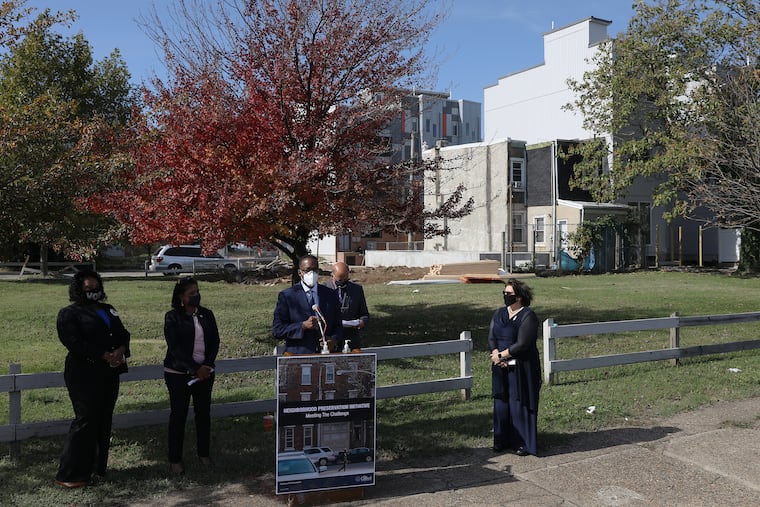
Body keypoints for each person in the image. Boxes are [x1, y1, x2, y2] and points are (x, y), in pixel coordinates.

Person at [55, 269, 130, 488]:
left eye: (96, 288)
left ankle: (98, 469)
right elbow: (73, 342)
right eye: (88, 289)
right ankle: (69, 474)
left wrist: (121, 351)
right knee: (85, 420)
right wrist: (103, 354)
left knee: (104, 420)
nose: (93, 292)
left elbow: (123, 333)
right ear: (79, 290)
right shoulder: (69, 313)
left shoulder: (108, 309)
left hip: (110, 372)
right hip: (83, 374)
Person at [163, 276, 220, 474]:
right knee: (178, 416)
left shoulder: (207, 314)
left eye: (197, 291)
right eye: (191, 294)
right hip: (178, 373)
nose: (196, 296)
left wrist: (206, 366)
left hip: (205, 373)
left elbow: (214, 342)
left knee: (203, 414)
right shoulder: (172, 317)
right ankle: (175, 460)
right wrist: (194, 368)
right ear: (181, 297)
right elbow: (175, 348)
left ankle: (204, 454)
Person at [488, 278, 541, 456]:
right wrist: (496, 354)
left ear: (519, 297)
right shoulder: (499, 313)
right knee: (501, 403)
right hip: (500, 366)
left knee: (519, 403)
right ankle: (502, 440)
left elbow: (523, 343)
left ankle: (523, 443)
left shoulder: (528, 316)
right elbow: (491, 337)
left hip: (521, 367)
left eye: (509, 294)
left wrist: (503, 355)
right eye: (504, 293)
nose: (505, 296)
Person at [272, 255, 343, 354]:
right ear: (300, 272)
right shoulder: (287, 296)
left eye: (315, 270)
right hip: (298, 355)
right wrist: (302, 326)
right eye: (307, 270)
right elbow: (277, 330)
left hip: (325, 355)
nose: (312, 274)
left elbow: (338, 325)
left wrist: (334, 340)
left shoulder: (330, 294)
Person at [327, 262, 369, 351]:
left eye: (344, 279)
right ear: (332, 275)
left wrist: (362, 322)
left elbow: (364, 314)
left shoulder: (357, 290)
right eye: (339, 280)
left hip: (351, 338)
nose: (342, 282)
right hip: (331, 338)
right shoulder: (324, 289)